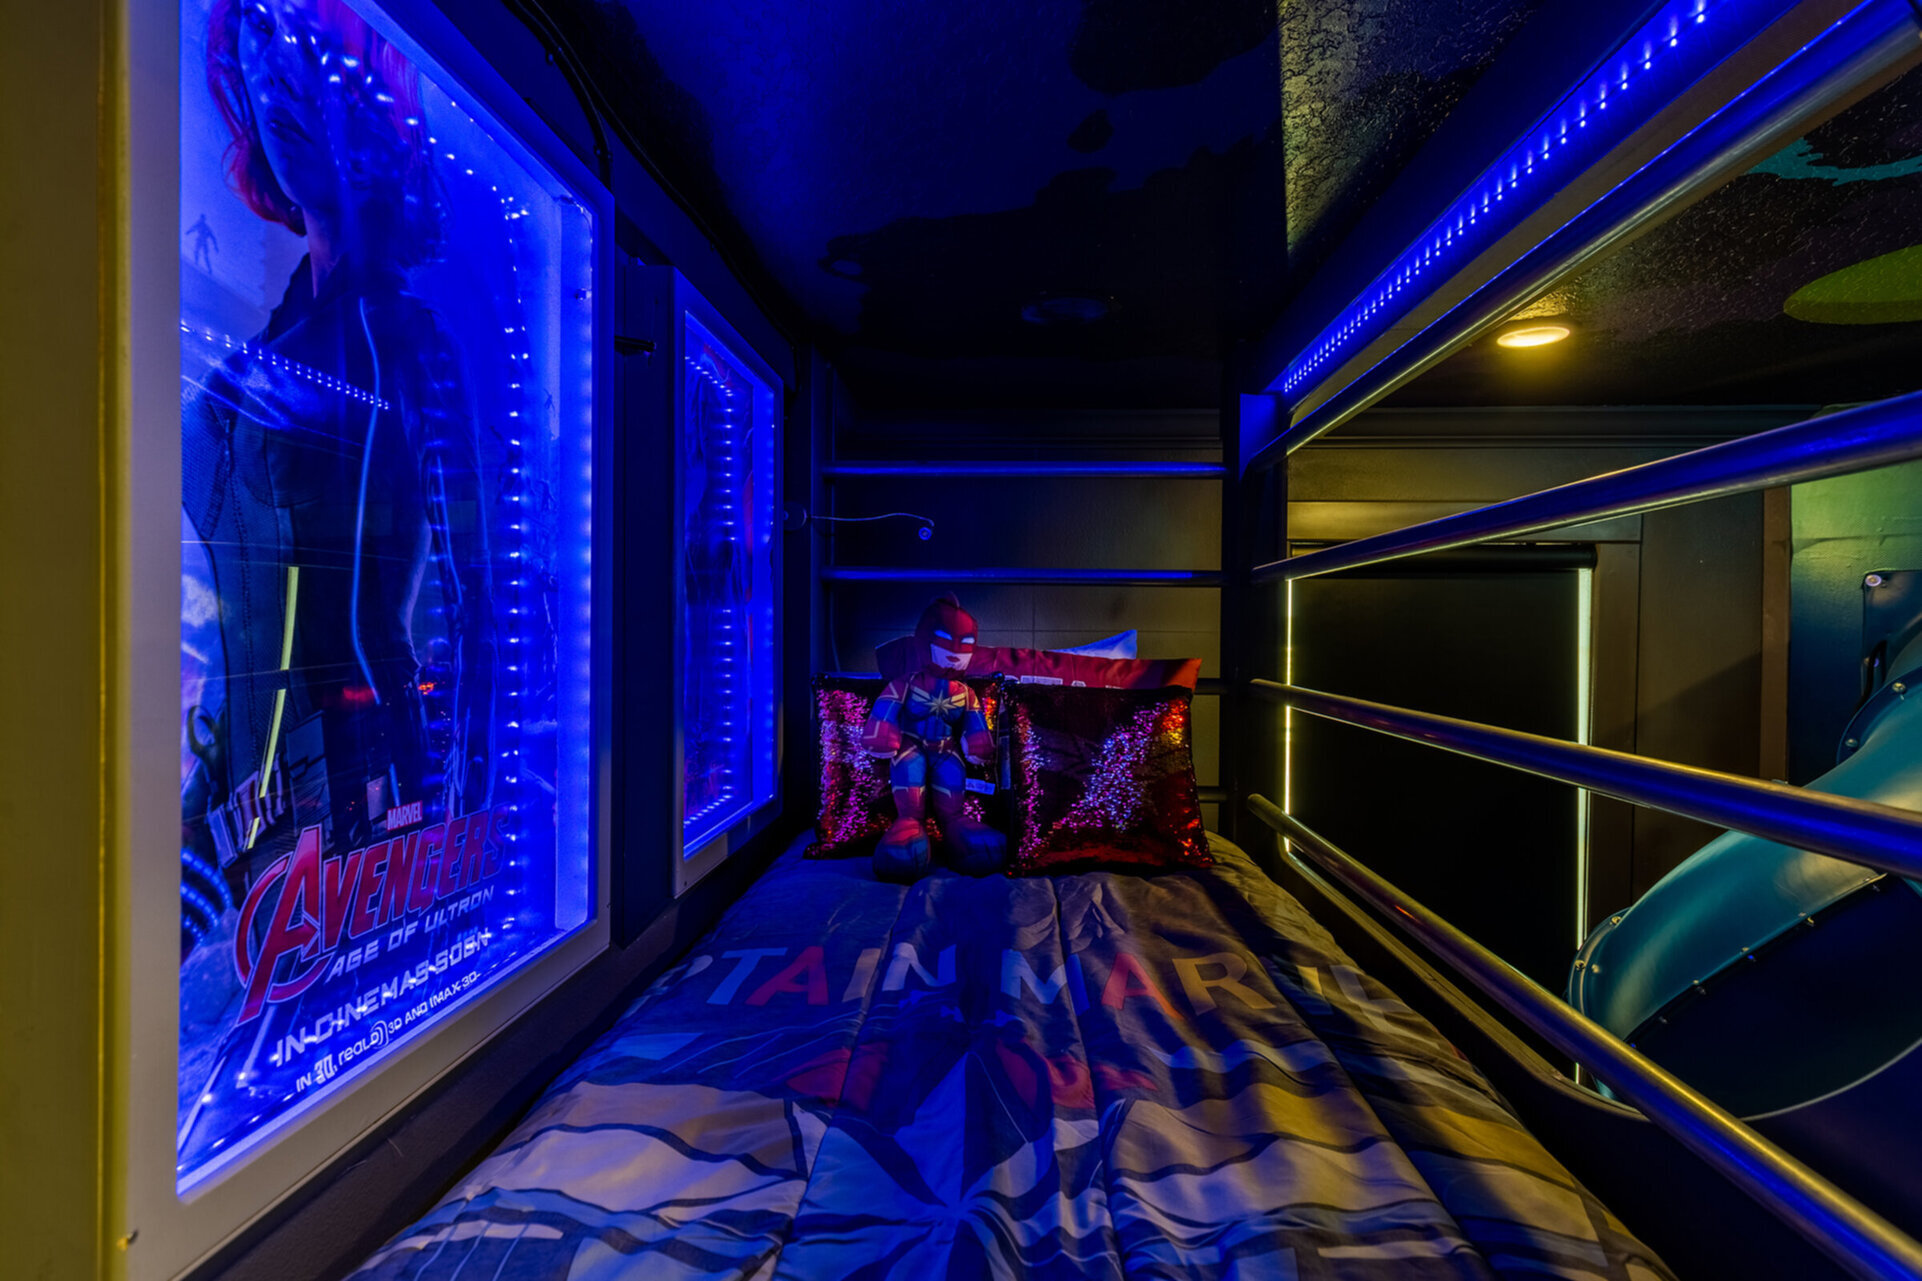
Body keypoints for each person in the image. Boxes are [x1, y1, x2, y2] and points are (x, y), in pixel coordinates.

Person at [181, 0, 497, 915]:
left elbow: (481, 605)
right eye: (256, 39)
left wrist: (461, 824)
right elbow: (232, 643)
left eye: (308, 49)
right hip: (243, 810)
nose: (276, 75)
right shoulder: (239, 376)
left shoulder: (408, 344)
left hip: (368, 792)